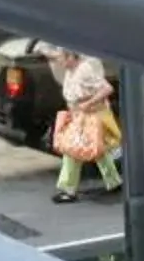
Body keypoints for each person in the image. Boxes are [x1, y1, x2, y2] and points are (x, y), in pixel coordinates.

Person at [47, 48, 124, 203]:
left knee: (73, 151)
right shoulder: (72, 69)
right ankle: (114, 181)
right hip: (81, 116)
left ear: (71, 57)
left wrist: (88, 103)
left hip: (89, 116)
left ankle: (68, 190)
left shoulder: (85, 70)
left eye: (62, 58)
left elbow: (107, 89)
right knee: (97, 149)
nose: (59, 62)